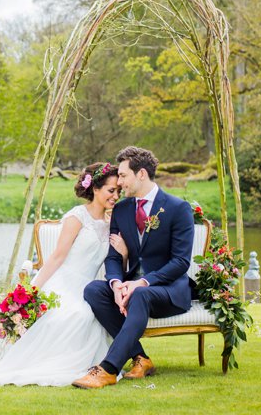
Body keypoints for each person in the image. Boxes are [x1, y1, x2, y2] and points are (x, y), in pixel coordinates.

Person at [0, 162, 128, 386]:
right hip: (63, 284)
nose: (115, 196)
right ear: (95, 189)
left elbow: (115, 264)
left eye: (118, 191)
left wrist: (123, 252)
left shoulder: (111, 224)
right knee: (77, 315)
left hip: (88, 288)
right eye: (111, 190)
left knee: (91, 314)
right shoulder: (77, 217)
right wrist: (33, 288)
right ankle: (44, 362)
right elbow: (56, 257)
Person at [73, 146, 196, 389]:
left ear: (141, 174)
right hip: (131, 287)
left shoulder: (177, 208)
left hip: (168, 291)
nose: (119, 182)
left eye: (123, 175)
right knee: (94, 290)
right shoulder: (121, 209)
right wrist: (117, 284)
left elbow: (181, 262)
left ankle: (108, 369)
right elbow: (112, 256)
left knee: (140, 293)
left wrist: (140, 283)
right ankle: (140, 358)